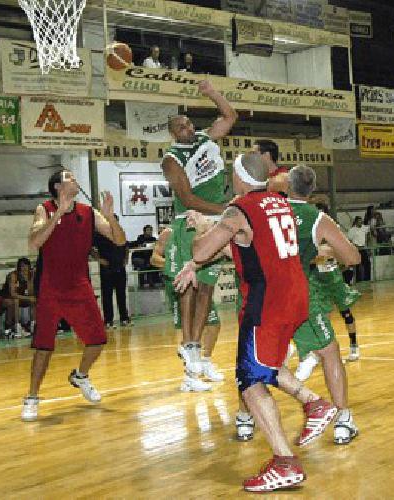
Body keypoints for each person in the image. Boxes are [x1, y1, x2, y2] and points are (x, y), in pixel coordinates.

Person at [175, 153, 338, 492]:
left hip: (268, 300)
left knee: (249, 380)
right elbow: (250, 243)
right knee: (266, 363)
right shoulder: (278, 203)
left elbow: (205, 249)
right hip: (295, 294)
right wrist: (195, 261)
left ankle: (285, 462)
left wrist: (202, 229)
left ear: (237, 177)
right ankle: (315, 404)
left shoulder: (239, 210)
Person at [255, 164, 363, 446]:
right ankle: (342, 418)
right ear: (312, 190)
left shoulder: (268, 212)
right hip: (300, 295)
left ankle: (247, 419)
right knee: (330, 353)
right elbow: (353, 258)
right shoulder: (317, 218)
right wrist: (321, 252)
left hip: (266, 297)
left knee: (256, 359)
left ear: (286, 187)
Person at [21, 169, 127, 422]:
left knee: (98, 339)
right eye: (69, 177)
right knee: (44, 347)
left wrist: (110, 217)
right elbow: (34, 243)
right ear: (57, 186)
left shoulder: (89, 213)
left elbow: (119, 240)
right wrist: (59, 213)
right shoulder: (44, 209)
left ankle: (80, 375)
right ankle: (32, 397)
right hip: (50, 287)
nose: (75, 179)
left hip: (79, 285)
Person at [160, 78, 237, 392]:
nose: (188, 128)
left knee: (207, 288)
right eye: (181, 126)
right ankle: (189, 349)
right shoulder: (171, 159)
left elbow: (230, 117)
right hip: (189, 222)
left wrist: (212, 94)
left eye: (189, 123)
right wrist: (223, 208)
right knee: (188, 287)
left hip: (214, 223)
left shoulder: (206, 138)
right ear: (173, 133)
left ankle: (195, 356)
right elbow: (188, 198)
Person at [151, 227, 225, 384]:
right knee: (187, 331)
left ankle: (205, 361)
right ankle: (190, 376)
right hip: (179, 284)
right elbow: (154, 258)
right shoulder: (169, 233)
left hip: (199, 282)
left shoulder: (203, 229)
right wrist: (176, 265)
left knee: (214, 324)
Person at [92, 214, 131, 328]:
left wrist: (125, 260)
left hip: (120, 267)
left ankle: (124, 319)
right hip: (107, 269)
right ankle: (108, 321)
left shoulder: (120, 233)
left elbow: (126, 247)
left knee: (121, 294)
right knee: (107, 295)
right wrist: (99, 259)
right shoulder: (99, 235)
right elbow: (91, 249)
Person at [1, 258, 36, 338]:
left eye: (26, 266)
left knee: (33, 299)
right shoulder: (13, 275)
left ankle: (33, 324)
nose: (24, 268)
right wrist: (28, 298)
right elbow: (13, 294)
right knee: (16, 300)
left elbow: (31, 293)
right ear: (19, 267)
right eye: (22, 266)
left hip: (21, 297)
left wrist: (30, 279)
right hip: (7, 297)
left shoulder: (30, 275)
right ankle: (17, 327)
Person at [345, 216, 371, 282]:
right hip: (356, 249)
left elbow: (368, 232)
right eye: (359, 221)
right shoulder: (352, 230)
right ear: (356, 222)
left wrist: (367, 242)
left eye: (361, 221)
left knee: (367, 264)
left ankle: (367, 279)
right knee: (357, 265)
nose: (360, 222)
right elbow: (349, 240)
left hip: (363, 248)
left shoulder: (364, 228)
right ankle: (358, 280)